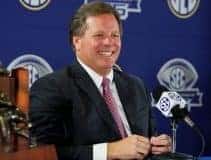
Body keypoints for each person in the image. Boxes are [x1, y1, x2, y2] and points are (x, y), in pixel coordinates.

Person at [29, 1, 171, 160]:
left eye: (114, 35)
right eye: (99, 35)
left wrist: (155, 146)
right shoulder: (52, 87)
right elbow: (43, 154)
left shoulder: (136, 86)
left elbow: (146, 140)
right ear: (77, 42)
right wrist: (109, 151)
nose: (109, 43)